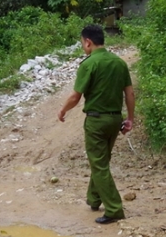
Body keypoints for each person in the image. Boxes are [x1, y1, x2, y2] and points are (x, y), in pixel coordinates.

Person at [57, 25, 135, 225]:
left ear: (88, 42)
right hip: (115, 119)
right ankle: (94, 198)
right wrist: (130, 119)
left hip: (96, 121)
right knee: (101, 160)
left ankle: (115, 209)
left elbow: (75, 96)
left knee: (98, 164)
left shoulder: (89, 64)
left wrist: (63, 110)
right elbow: (129, 94)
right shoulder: (119, 63)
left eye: (82, 43)